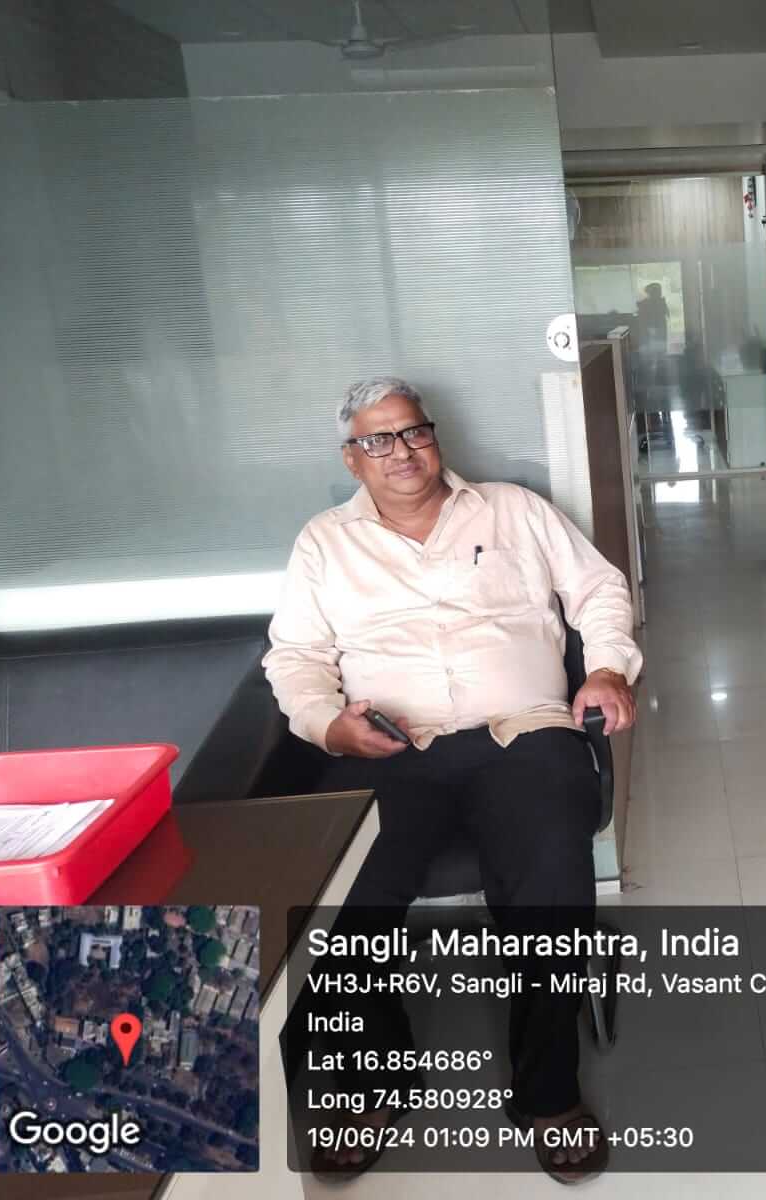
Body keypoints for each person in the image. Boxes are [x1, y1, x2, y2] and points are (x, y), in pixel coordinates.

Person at [266, 376, 640, 1183]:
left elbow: (598, 587)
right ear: (351, 459)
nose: (400, 451)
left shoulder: (513, 510)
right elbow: (295, 657)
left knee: (550, 884)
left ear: (434, 436)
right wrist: (329, 724)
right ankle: (376, 1080)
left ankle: (547, 1093)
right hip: (391, 747)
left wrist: (608, 667)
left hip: (526, 733)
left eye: (413, 431)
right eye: (377, 439)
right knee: (342, 903)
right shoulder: (324, 543)